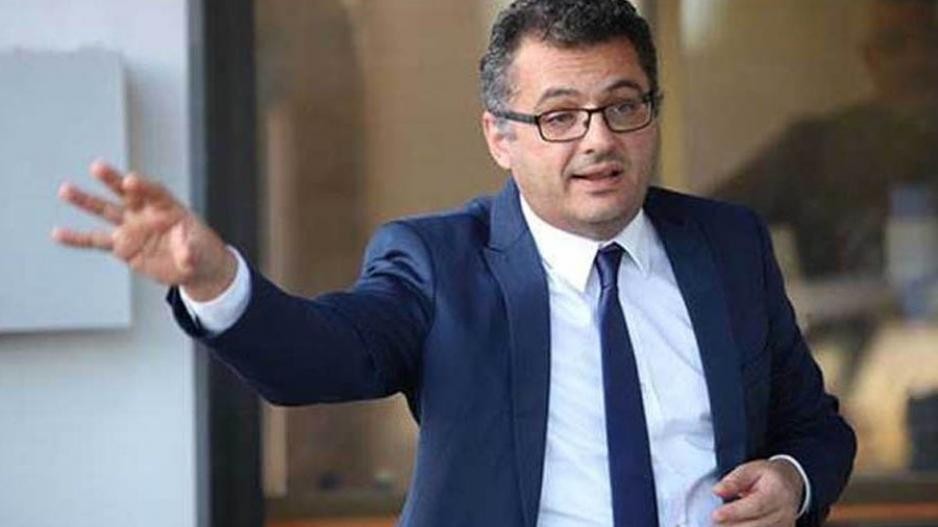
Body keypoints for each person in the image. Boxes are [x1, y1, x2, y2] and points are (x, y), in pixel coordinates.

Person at [53, 1, 855, 525]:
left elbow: (814, 426)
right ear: (498, 136)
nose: (599, 139)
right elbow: (315, 356)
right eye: (559, 116)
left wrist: (792, 479)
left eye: (623, 106)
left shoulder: (727, 245)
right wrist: (214, 281)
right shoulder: (439, 263)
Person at [713, 0, 938, 281]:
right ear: (870, 59)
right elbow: (702, 222)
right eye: (894, 44)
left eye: (929, 41)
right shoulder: (810, 149)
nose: (916, 61)